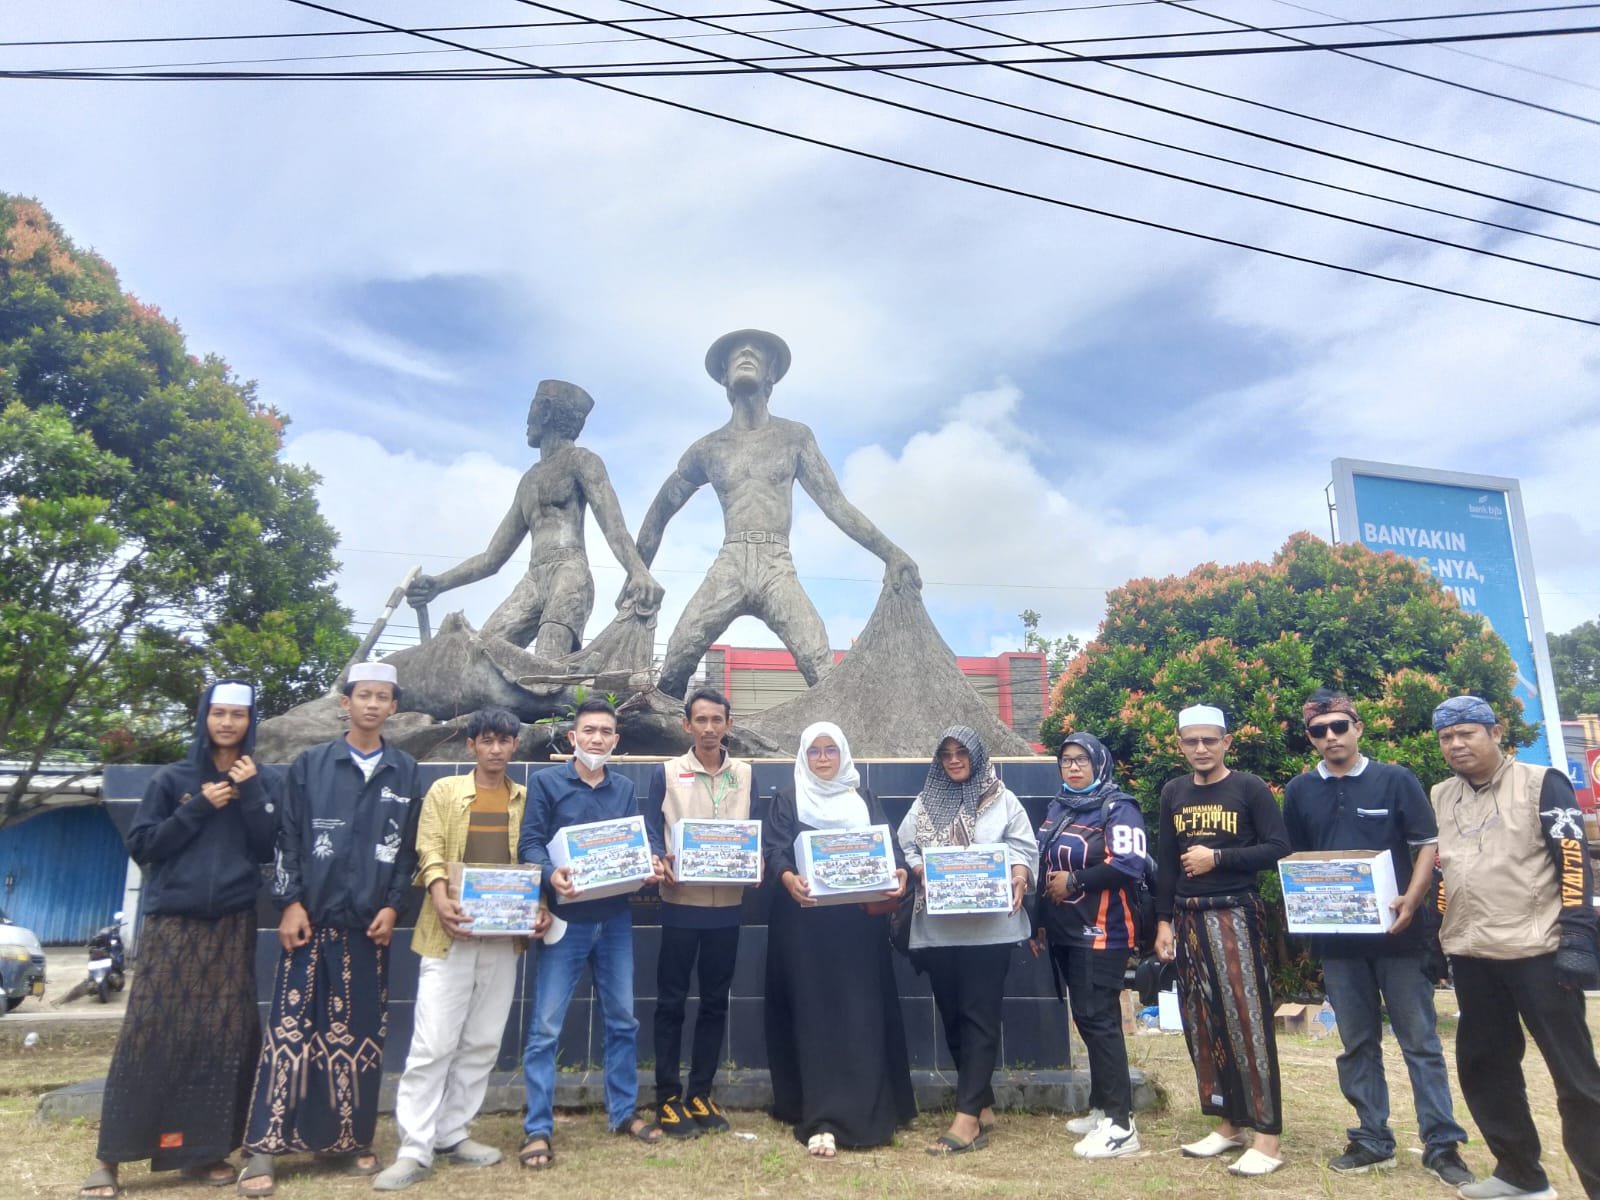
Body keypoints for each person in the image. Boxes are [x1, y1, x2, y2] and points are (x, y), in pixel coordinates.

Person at [634, 329, 920, 698]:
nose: (746, 352)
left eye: (756, 352)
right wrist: (637, 571)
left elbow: (836, 505)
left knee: (820, 665)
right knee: (677, 658)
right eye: (736, 353)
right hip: (730, 562)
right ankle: (666, 729)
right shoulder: (708, 448)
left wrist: (891, 553)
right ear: (723, 375)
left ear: (771, 373)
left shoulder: (794, 437)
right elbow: (661, 509)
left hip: (776, 564)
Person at [80, 681, 279, 1199]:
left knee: (224, 1035)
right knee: (149, 1031)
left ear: (251, 722)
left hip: (232, 922)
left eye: (238, 715)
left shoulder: (260, 778)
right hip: (174, 924)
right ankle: (110, 1157)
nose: (228, 723)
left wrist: (251, 793)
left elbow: (266, 847)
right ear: (204, 718)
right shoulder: (172, 779)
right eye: (219, 713)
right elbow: (145, 845)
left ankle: (204, 1152)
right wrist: (199, 807)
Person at [239, 662, 422, 1196]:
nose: (372, 704)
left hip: (369, 927)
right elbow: (287, 837)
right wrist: (290, 903)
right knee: (291, 1033)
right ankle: (265, 1147)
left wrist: (394, 907)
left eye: (383, 697)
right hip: (311, 922)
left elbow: (407, 850)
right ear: (346, 702)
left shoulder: (404, 770)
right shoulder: (312, 764)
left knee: (359, 1037)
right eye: (364, 695)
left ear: (393, 707)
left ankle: (346, 1140)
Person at [1282, 689, 1473, 1186]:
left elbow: (1427, 844)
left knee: (1420, 1042)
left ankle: (1442, 1144)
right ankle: (1372, 1139)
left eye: (1339, 726)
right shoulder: (1299, 791)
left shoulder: (1395, 779)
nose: (1330, 737)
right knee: (1357, 1043)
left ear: (1358, 728)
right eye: (1319, 730)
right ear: (1310, 738)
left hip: (1399, 936)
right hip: (1338, 942)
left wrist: (1413, 899)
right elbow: (1299, 859)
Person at [1430, 695, 1600, 1200]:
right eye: (1446, 737)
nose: (1456, 744)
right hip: (1473, 953)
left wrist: (1578, 933)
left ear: (1496, 732)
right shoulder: (1441, 793)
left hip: (1539, 951)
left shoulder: (1541, 782)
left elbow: (1573, 858)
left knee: (1576, 1078)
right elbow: (1449, 869)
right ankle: (1520, 1175)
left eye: (1467, 733)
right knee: (1484, 1067)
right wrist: (1436, 932)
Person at [375, 707, 551, 1191]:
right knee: (433, 1042)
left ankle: (453, 1132)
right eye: (487, 740)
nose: (496, 749)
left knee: (482, 1039)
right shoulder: (445, 791)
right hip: (448, 931)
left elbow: (531, 859)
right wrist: (438, 895)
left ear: (515, 746)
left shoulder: (524, 797)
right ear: (470, 745)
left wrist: (537, 906)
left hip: (503, 935)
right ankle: (414, 1147)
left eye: (504, 741)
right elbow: (428, 848)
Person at [404, 379, 663, 657]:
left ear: (547, 411)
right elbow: (491, 558)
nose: (527, 420)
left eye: (532, 409)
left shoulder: (581, 461)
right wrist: (439, 584)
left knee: (547, 660)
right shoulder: (529, 481)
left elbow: (615, 527)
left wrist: (638, 571)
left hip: (569, 574)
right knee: (480, 654)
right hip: (533, 579)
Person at [516, 698, 666, 1169]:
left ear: (615, 740)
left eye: (605, 732)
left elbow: (632, 843)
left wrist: (647, 863)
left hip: (615, 919)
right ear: (573, 737)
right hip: (566, 920)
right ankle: (537, 1128)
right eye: (589, 731)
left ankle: (623, 1113)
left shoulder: (624, 788)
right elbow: (530, 843)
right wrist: (549, 874)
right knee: (546, 1027)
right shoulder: (546, 783)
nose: (597, 738)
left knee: (622, 1020)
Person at [763, 722, 915, 1157]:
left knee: (860, 1013)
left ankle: (869, 1107)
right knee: (815, 1016)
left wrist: (899, 872)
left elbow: (890, 848)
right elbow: (775, 851)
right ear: (803, 757)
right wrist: (789, 879)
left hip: (857, 931)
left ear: (844, 753)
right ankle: (820, 1114)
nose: (823, 759)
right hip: (805, 930)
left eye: (831, 750)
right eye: (814, 751)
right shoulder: (788, 799)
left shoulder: (863, 798)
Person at [1154, 703, 1290, 1178]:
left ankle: (1268, 1137)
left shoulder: (1249, 787)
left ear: (1227, 742)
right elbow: (1166, 862)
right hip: (1187, 917)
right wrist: (1163, 922)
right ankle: (1230, 1125)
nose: (1201, 749)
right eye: (1191, 741)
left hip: (1236, 913)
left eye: (1209, 740)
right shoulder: (1173, 791)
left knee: (1248, 1022)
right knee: (1202, 1022)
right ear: (1180, 745)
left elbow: (1279, 848)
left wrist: (1219, 858)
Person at [897, 725, 1036, 1156]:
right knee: (954, 1016)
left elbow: (1023, 847)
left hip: (990, 931)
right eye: (946, 754)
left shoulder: (1003, 800)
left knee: (979, 1017)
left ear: (977, 755)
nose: (954, 760)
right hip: (939, 931)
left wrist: (1018, 873)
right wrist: (921, 869)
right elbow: (907, 847)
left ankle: (967, 1120)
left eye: (962, 752)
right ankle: (981, 1104)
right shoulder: (924, 803)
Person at [641, 687, 753, 1139]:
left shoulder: (745, 773)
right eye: (700, 720)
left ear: (729, 724)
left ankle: (700, 1093)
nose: (709, 728)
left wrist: (756, 859)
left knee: (714, 1001)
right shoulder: (667, 773)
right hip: (679, 904)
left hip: (727, 906)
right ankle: (668, 1097)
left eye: (717, 720)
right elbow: (652, 829)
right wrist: (657, 857)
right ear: (686, 725)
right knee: (671, 1002)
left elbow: (753, 829)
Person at [1032, 732, 1147, 1160]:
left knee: (1100, 1020)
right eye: (1066, 760)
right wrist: (1040, 922)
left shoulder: (1119, 807)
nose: (1074, 767)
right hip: (1065, 930)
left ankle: (1121, 1126)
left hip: (1104, 930)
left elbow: (1129, 865)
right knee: (1087, 1018)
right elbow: (1045, 866)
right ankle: (1102, 1107)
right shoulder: (1060, 807)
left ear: (1099, 763)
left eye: (1082, 759)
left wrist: (1076, 881)